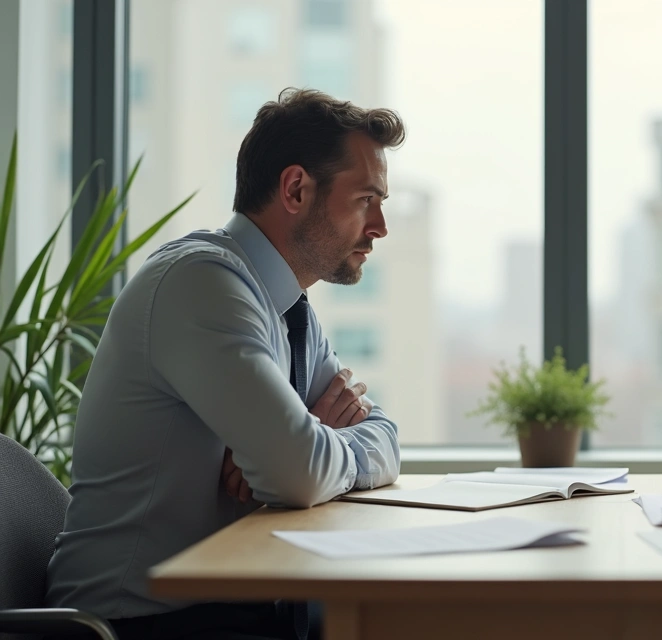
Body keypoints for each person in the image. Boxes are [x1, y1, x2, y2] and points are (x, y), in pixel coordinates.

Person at [45, 88, 407, 640]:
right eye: (365, 200)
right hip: (141, 624)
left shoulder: (288, 308)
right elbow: (297, 471)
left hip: (236, 605)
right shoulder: (203, 284)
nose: (380, 226)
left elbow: (383, 434)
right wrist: (295, 457)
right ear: (295, 189)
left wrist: (301, 448)